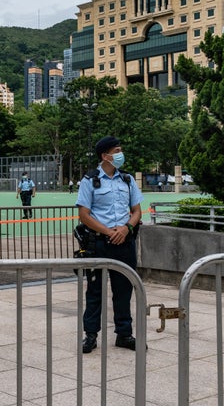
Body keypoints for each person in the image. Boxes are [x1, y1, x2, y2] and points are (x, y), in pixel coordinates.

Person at [76, 136, 144, 354]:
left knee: (124, 290)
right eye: (117, 150)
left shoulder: (127, 179)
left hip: (125, 242)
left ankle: (124, 334)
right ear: (105, 156)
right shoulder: (90, 180)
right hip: (99, 243)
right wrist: (108, 232)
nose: (120, 153)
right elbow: (84, 215)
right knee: (95, 291)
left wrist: (126, 229)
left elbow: (137, 211)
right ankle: (90, 336)